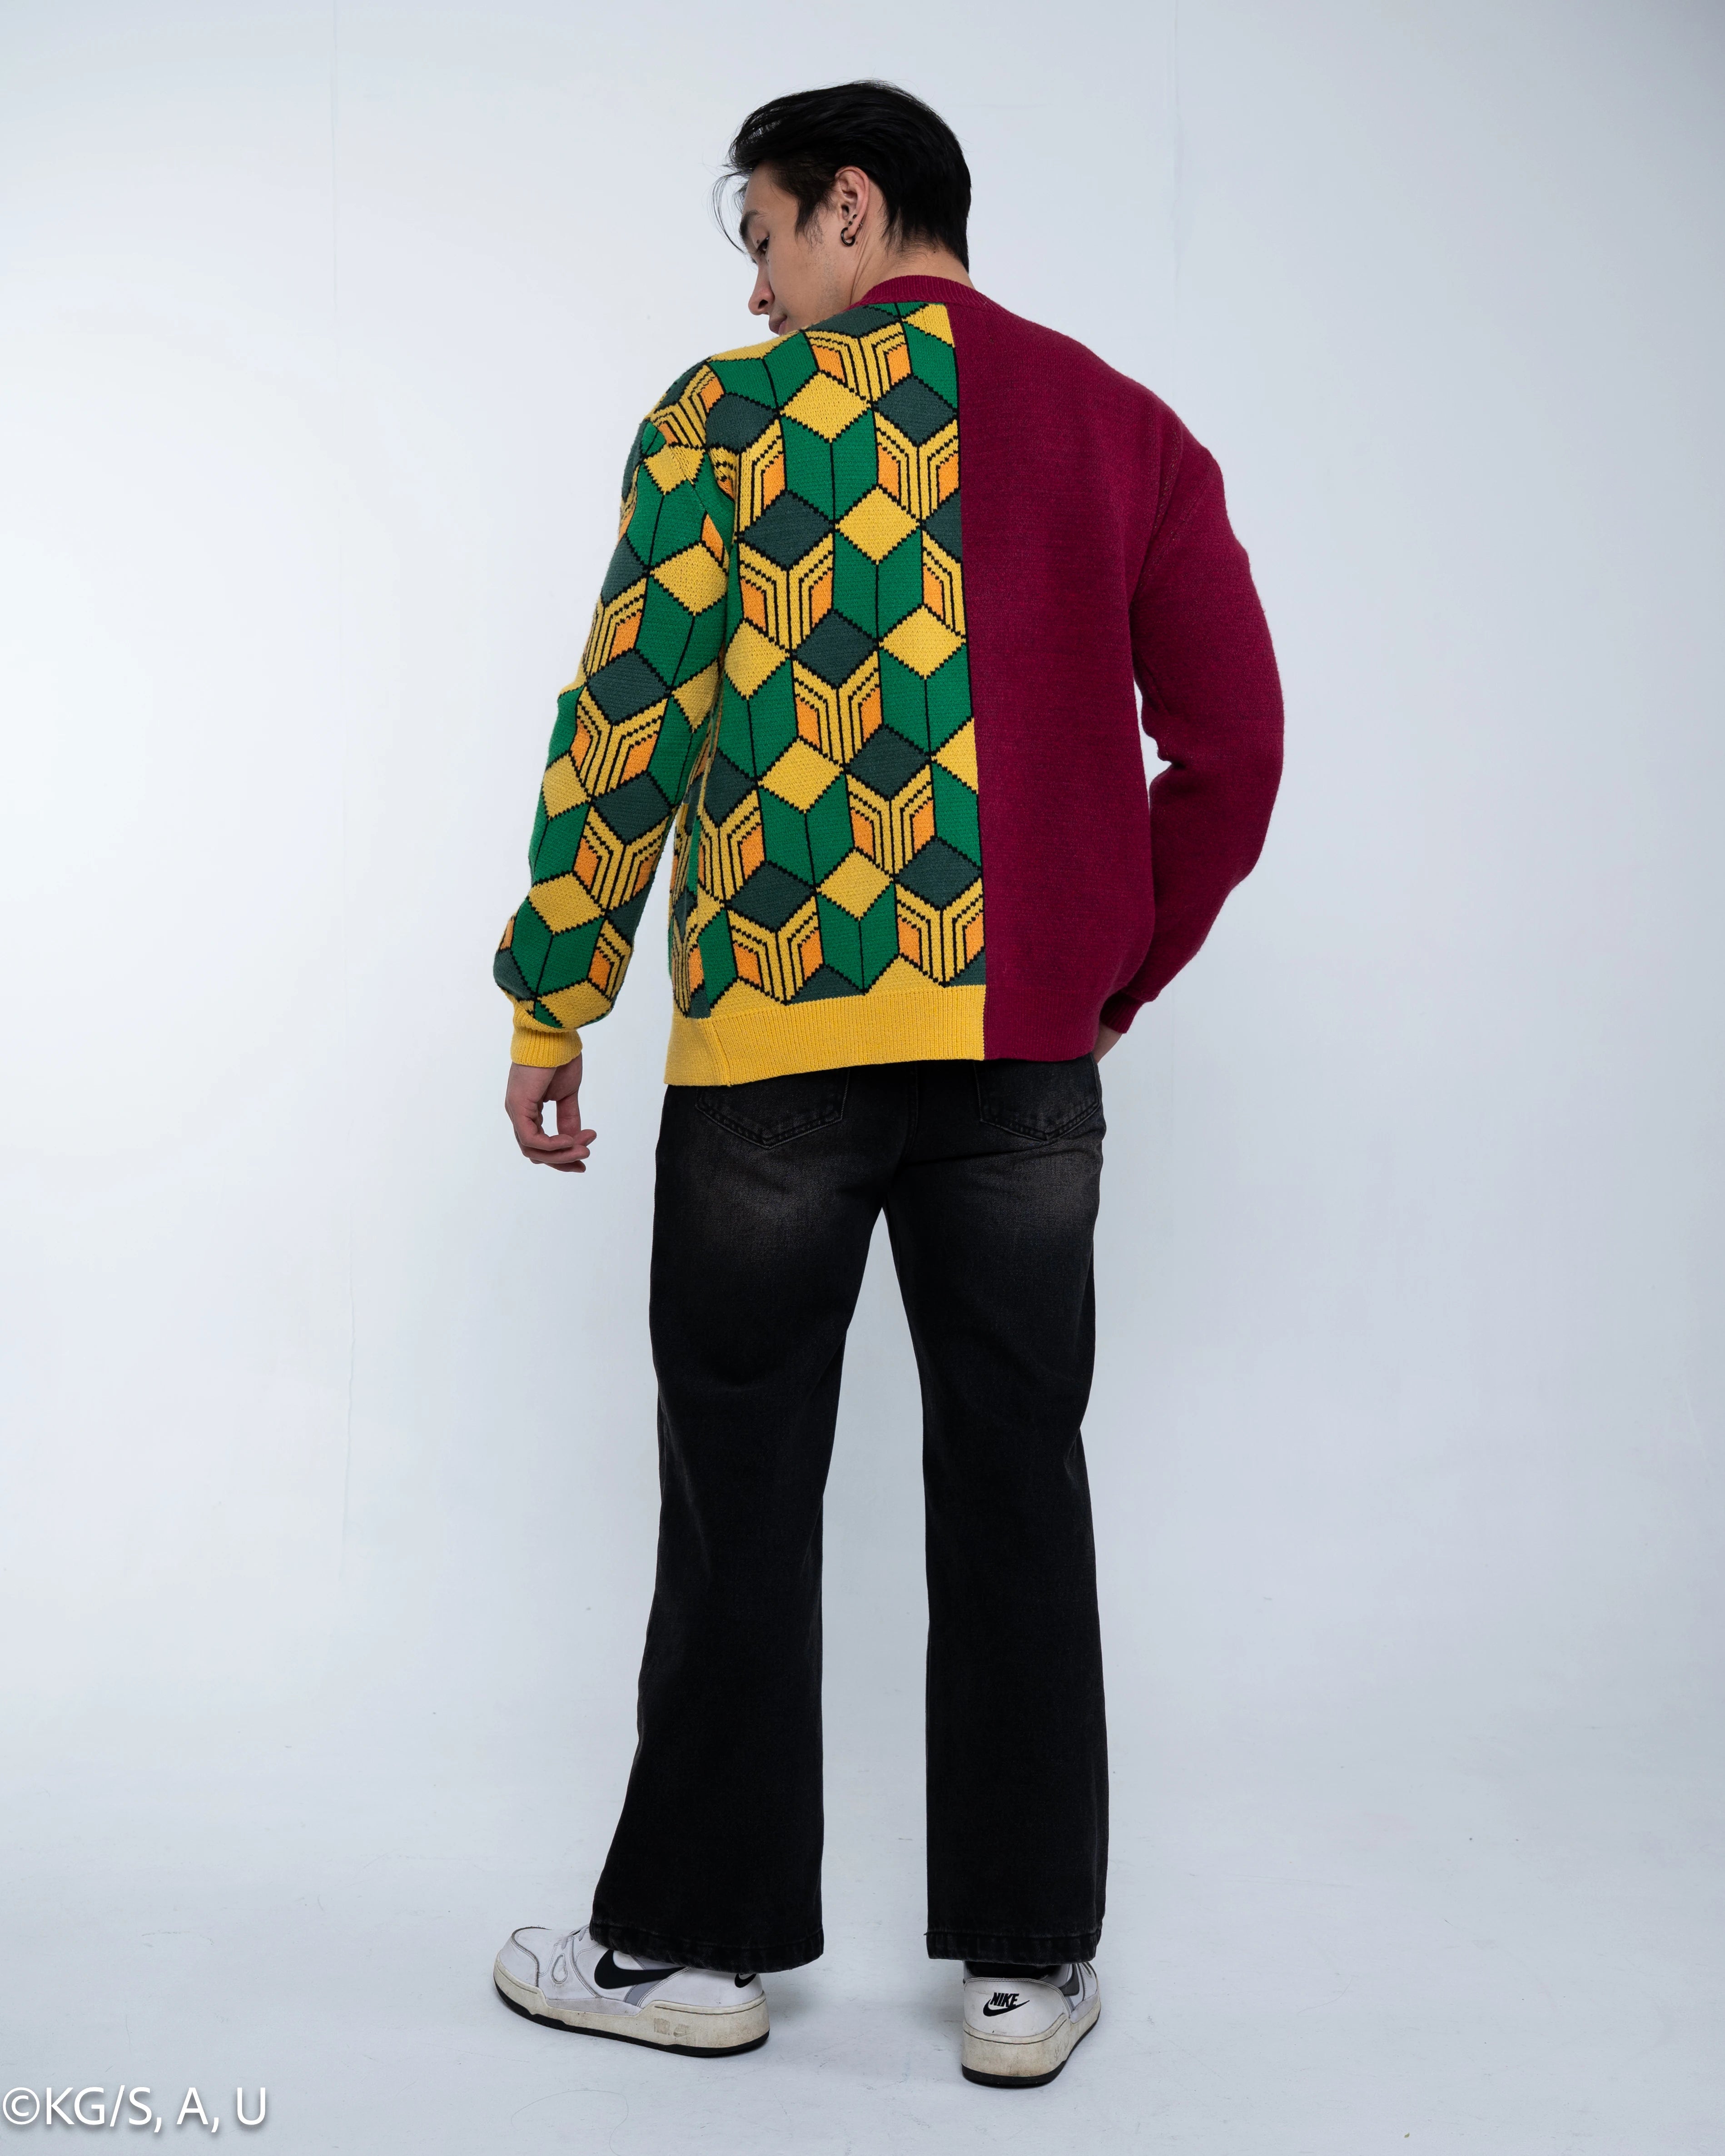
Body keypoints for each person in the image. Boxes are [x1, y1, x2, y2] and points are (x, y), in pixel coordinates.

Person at [488, 80, 1282, 2090]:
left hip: (776, 1047)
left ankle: (687, 1947)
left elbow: (630, 718)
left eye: (762, 238)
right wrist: (1115, 968)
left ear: (852, 207)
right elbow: (1236, 743)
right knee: (1017, 1479)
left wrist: (554, 993)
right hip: (1024, 1058)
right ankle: (1025, 1970)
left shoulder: (721, 423)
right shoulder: (1121, 427)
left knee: (737, 1487)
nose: (755, 294)